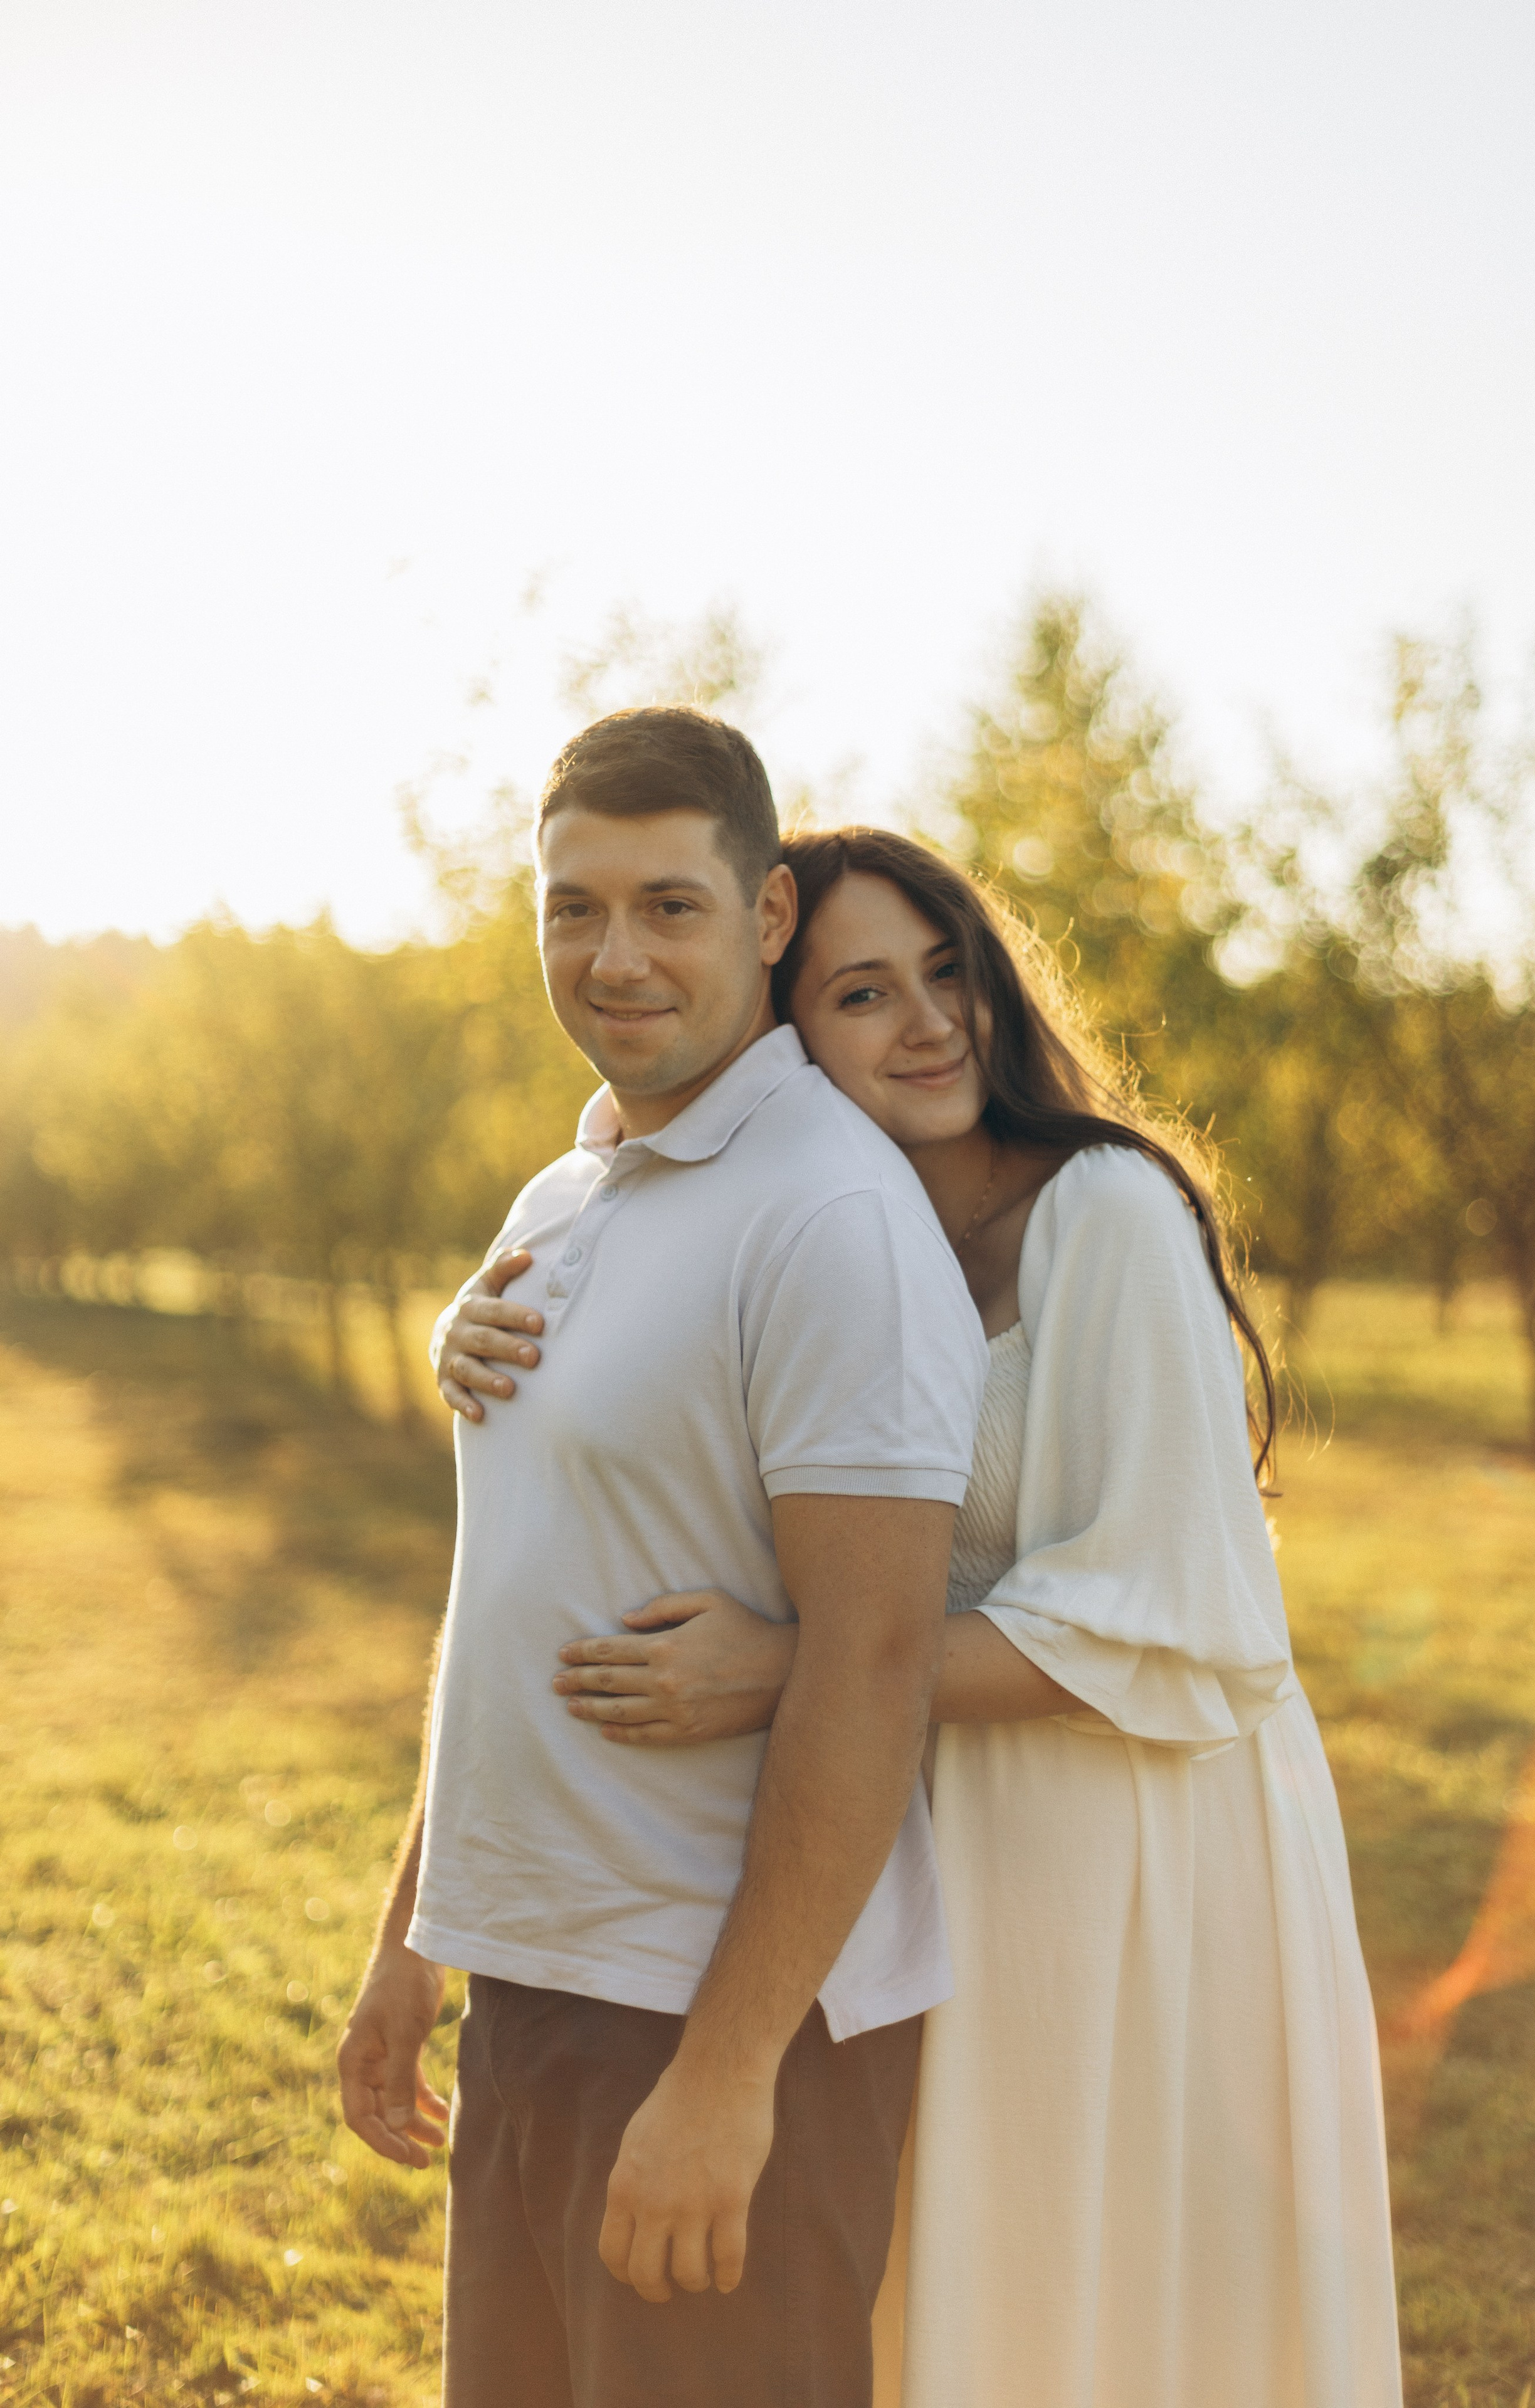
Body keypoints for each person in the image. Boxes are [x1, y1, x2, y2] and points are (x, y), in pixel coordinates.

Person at [441, 826, 1405, 2408]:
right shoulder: (839, 1231)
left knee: (1102, 2272)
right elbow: (624, 1149)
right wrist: (464, 1320)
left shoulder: (1100, 1212)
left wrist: (789, 1668)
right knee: (952, 2287)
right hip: (928, 1821)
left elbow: (1173, 1617)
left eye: (948, 973)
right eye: (863, 994)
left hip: (1132, 1830)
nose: (929, 1024)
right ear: (783, 1035)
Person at [341, 721, 988, 2408]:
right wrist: (420, 1929)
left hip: (708, 2023)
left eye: (669, 908)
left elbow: (871, 1662)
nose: (614, 958)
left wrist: (726, 2074)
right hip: (538, 1995)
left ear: (770, 915)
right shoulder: (563, 1194)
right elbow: (519, 1576)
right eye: (573, 908)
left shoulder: (829, 1218)